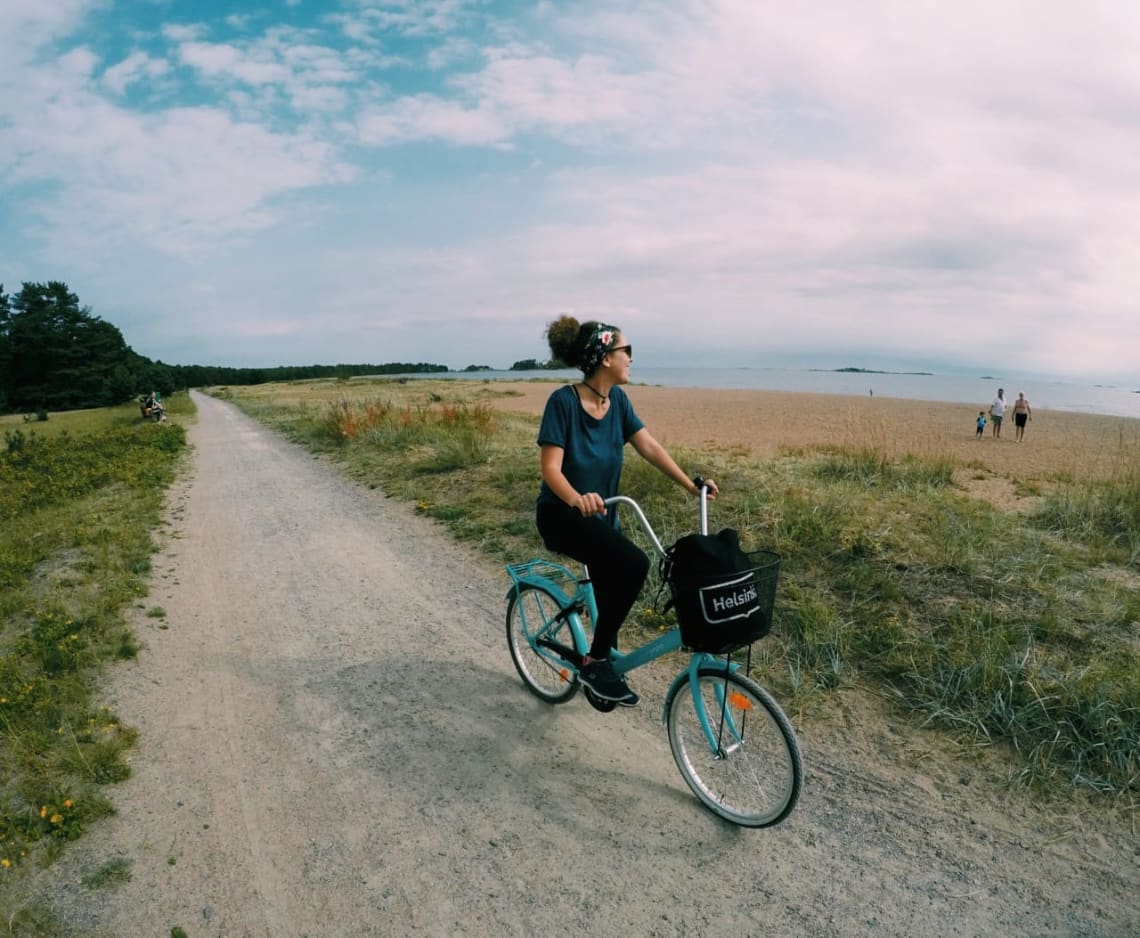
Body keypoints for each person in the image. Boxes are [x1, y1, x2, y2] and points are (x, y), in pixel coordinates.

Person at [535, 316, 718, 706]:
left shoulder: (617, 401)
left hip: (601, 518)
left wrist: (691, 485)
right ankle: (595, 664)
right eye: (626, 350)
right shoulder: (563, 402)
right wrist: (576, 498)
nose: (631, 358)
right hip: (562, 516)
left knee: (612, 598)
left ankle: (600, 668)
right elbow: (550, 468)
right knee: (634, 564)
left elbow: (649, 446)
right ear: (605, 357)